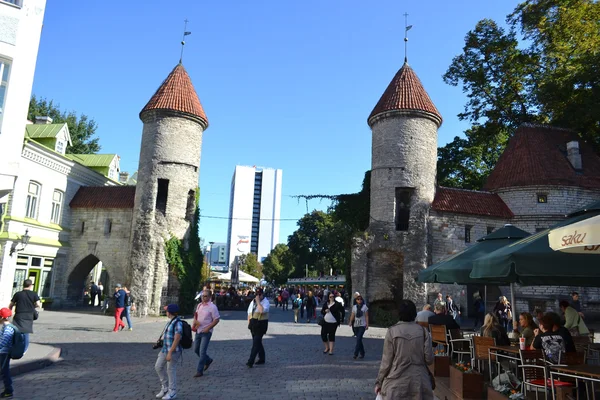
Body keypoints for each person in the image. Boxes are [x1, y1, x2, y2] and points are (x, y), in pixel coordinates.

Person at [375, 299, 434, 400]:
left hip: (396, 381)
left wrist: (379, 382)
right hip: (419, 381)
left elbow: (386, 362)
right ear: (414, 313)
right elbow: (429, 359)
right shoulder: (423, 331)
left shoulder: (392, 331)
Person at [155, 304, 183, 400]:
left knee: (170, 370)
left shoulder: (177, 323)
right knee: (158, 366)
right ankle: (165, 387)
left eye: (166, 311)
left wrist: (170, 352)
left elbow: (177, 338)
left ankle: (172, 391)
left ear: (170, 312)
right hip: (164, 349)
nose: (165, 312)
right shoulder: (170, 321)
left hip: (173, 351)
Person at [192, 289, 220, 378]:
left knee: (202, 351)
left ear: (209, 297)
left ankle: (199, 371)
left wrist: (208, 328)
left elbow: (216, 319)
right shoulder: (199, 305)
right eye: (202, 296)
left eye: (205, 296)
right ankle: (208, 360)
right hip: (198, 330)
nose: (203, 298)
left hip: (206, 331)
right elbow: (196, 316)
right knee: (196, 349)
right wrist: (195, 322)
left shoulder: (212, 307)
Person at [8, 279, 41, 353]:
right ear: (30, 285)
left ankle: (15, 347)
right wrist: (33, 306)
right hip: (29, 315)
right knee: (26, 332)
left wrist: (10, 312)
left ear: (23, 285)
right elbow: (38, 304)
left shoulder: (17, 294)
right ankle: (24, 350)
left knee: (17, 331)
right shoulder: (34, 294)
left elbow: (11, 304)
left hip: (19, 315)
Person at [246, 288, 269, 368]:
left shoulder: (266, 302)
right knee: (257, 342)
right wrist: (249, 323)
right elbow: (249, 312)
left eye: (259, 295)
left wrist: (258, 302)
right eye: (257, 295)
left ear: (262, 294)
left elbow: (262, 311)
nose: (258, 296)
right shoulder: (253, 302)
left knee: (256, 343)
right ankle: (262, 358)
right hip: (253, 324)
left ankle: (250, 361)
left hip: (261, 324)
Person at [0, 308, 15, 398]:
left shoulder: (8, 329)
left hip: (4, 353)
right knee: (4, 371)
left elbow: (3, 342)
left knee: (5, 372)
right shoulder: (6, 327)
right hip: (3, 352)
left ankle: (8, 390)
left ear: (2, 317)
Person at [349, 294, 368, 359]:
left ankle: (355, 354)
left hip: (362, 325)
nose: (359, 300)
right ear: (356, 300)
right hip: (356, 325)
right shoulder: (354, 307)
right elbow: (352, 315)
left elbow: (366, 316)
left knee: (359, 338)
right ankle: (362, 353)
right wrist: (350, 321)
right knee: (359, 339)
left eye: (360, 299)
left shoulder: (365, 307)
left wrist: (367, 324)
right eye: (358, 299)